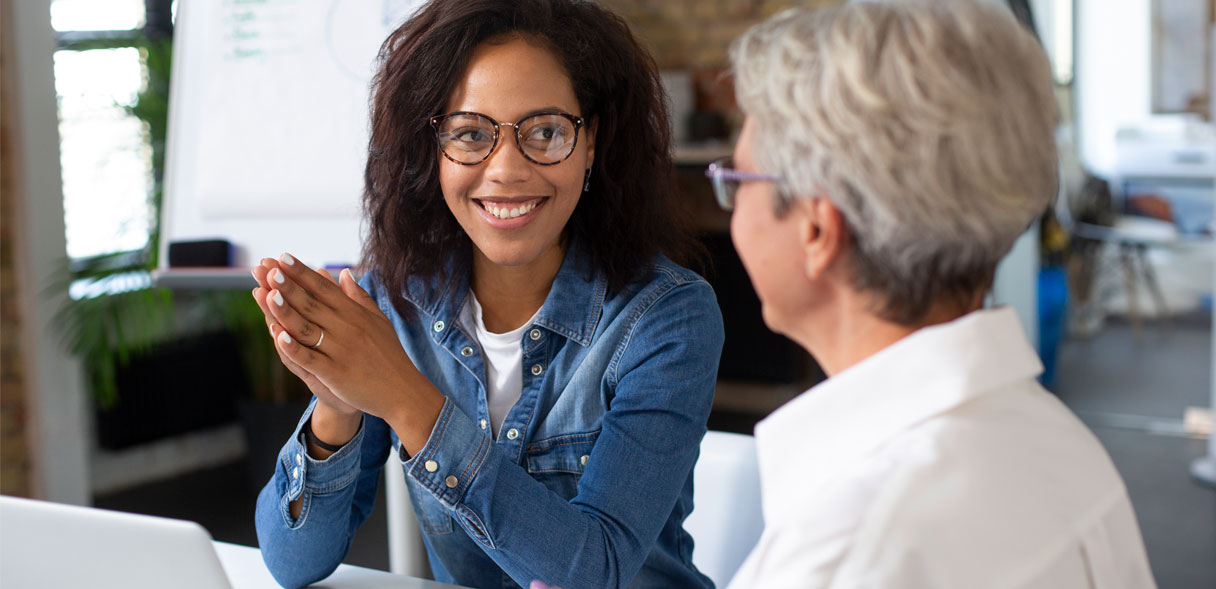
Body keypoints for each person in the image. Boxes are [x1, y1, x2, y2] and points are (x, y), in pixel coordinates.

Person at [250, 1, 724, 587]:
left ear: (592, 141)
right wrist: (336, 404)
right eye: (471, 134)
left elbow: (593, 570)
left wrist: (405, 397)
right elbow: (292, 564)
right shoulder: (393, 304)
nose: (505, 169)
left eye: (546, 132)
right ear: (432, 149)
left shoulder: (668, 316)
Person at [709, 1, 1157, 586]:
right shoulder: (1067, 450)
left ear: (816, 229)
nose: (733, 203)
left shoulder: (846, 553)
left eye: (737, 179)